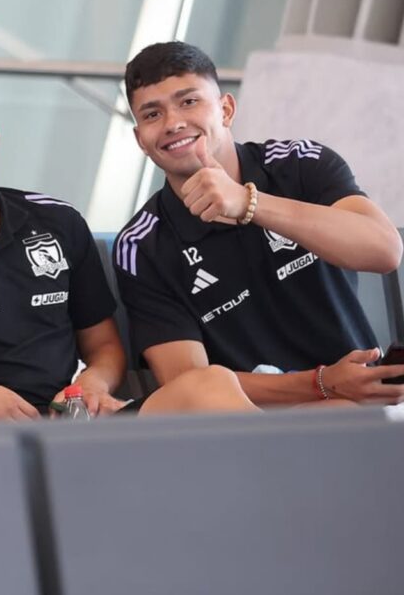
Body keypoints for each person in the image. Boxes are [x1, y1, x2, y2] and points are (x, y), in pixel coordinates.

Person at [0, 69, 255, 422]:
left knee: (212, 386)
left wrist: (92, 385)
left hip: (67, 421)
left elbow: (104, 346)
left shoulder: (56, 221)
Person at [115, 40, 404, 406]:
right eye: (152, 114)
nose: (173, 123)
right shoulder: (142, 245)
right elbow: (188, 385)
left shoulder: (300, 163)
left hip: (361, 405)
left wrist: (249, 203)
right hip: (252, 420)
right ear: (141, 139)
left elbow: (384, 250)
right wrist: (322, 383)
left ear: (226, 109)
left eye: (189, 102)